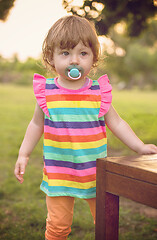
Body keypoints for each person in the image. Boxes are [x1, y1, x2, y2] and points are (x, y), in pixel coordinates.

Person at [14, 15, 157, 240]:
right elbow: (36, 124)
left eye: (83, 53)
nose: (74, 61)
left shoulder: (99, 93)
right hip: (59, 173)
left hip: (95, 173)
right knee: (58, 227)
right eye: (65, 53)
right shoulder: (47, 92)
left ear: (94, 57)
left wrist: (139, 146)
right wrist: (24, 154)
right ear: (51, 57)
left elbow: (117, 122)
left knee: (104, 222)